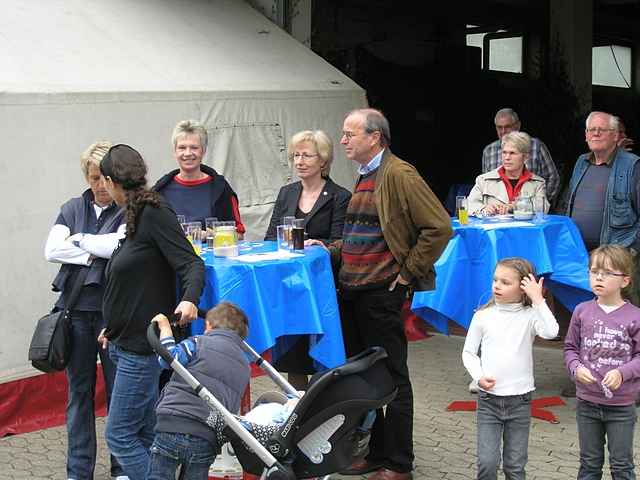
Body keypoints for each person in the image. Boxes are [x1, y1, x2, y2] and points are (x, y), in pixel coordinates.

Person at [309, 108, 452, 480]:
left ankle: (399, 463)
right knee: (366, 381)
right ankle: (377, 453)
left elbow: (438, 227)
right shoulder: (366, 175)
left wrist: (406, 275)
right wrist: (332, 249)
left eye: (349, 134)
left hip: (380, 295)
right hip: (354, 292)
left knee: (393, 379)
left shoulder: (399, 174)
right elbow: (367, 235)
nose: (342, 141)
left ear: (375, 137)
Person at [98, 144, 205, 480]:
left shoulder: (154, 212)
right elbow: (134, 280)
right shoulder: (133, 213)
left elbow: (191, 263)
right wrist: (111, 326)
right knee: (144, 433)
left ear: (112, 181)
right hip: (122, 341)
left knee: (119, 434)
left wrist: (189, 299)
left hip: (141, 348)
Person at [44, 141, 127, 480]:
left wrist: (77, 242)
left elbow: (118, 247)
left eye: (104, 178)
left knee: (119, 392)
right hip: (75, 312)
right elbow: (51, 250)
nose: (99, 186)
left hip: (113, 313)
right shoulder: (72, 207)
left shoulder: (127, 209)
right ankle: (79, 472)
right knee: (79, 395)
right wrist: (94, 249)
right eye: (93, 178)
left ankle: (122, 467)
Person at [264, 129, 351, 391]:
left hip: (323, 289)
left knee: (324, 356)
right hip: (291, 288)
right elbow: (271, 237)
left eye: (307, 155)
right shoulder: (286, 192)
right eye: (296, 155)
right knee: (295, 358)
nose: (299, 161)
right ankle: (296, 413)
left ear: (323, 161)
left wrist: (321, 246)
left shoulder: (340, 196)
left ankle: (322, 410)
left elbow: (342, 244)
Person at [462, 258, 559, 480]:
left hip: (520, 401)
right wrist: (478, 377)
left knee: (515, 466)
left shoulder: (530, 315)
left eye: (505, 282)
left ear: (523, 288)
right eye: (495, 280)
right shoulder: (483, 316)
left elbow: (552, 332)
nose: (497, 285)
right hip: (489, 401)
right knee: (487, 463)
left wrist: (538, 300)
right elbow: (468, 353)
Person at [147, 302, 250, 480]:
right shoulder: (244, 365)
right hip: (207, 437)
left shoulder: (199, 342)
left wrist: (164, 328)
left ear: (208, 325)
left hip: (173, 423)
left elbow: (169, 359)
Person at [564, 245, 640, 480]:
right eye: (594, 271)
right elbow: (570, 348)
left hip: (621, 406)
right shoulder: (581, 311)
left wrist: (623, 373)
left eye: (607, 273)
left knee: (621, 466)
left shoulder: (635, 316)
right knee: (589, 464)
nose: (598, 277)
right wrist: (576, 368)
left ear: (625, 280)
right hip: (587, 403)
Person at [153, 119, 245, 236]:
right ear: (174, 151)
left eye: (194, 147)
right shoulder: (160, 191)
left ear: (204, 151)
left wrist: (211, 236)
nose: (187, 153)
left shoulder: (221, 188)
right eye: (182, 148)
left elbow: (239, 235)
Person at [567, 111, 640, 253]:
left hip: (615, 258)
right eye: (592, 130)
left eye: (602, 129)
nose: (596, 133)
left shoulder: (632, 166)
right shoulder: (581, 162)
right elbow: (568, 204)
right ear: (586, 135)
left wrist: (631, 250)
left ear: (615, 135)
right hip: (577, 252)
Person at [482, 108, 560, 204]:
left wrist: (540, 203)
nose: (503, 131)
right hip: (497, 215)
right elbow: (485, 183)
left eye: (507, 127)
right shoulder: (489, 151)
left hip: (529, 214)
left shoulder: (536, 146)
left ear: (518, 126)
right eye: (499, 127)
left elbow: (553, 177)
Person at [469, 131, 548, 217]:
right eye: (504, 152)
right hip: (494, 229)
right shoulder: (483, 180)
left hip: (526, 230)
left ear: (525, 157)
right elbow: (469, 205)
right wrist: (483, 208)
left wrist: (515, 206)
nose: (507, 158)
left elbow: (543, 208)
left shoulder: (538, 183)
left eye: (512, 153)